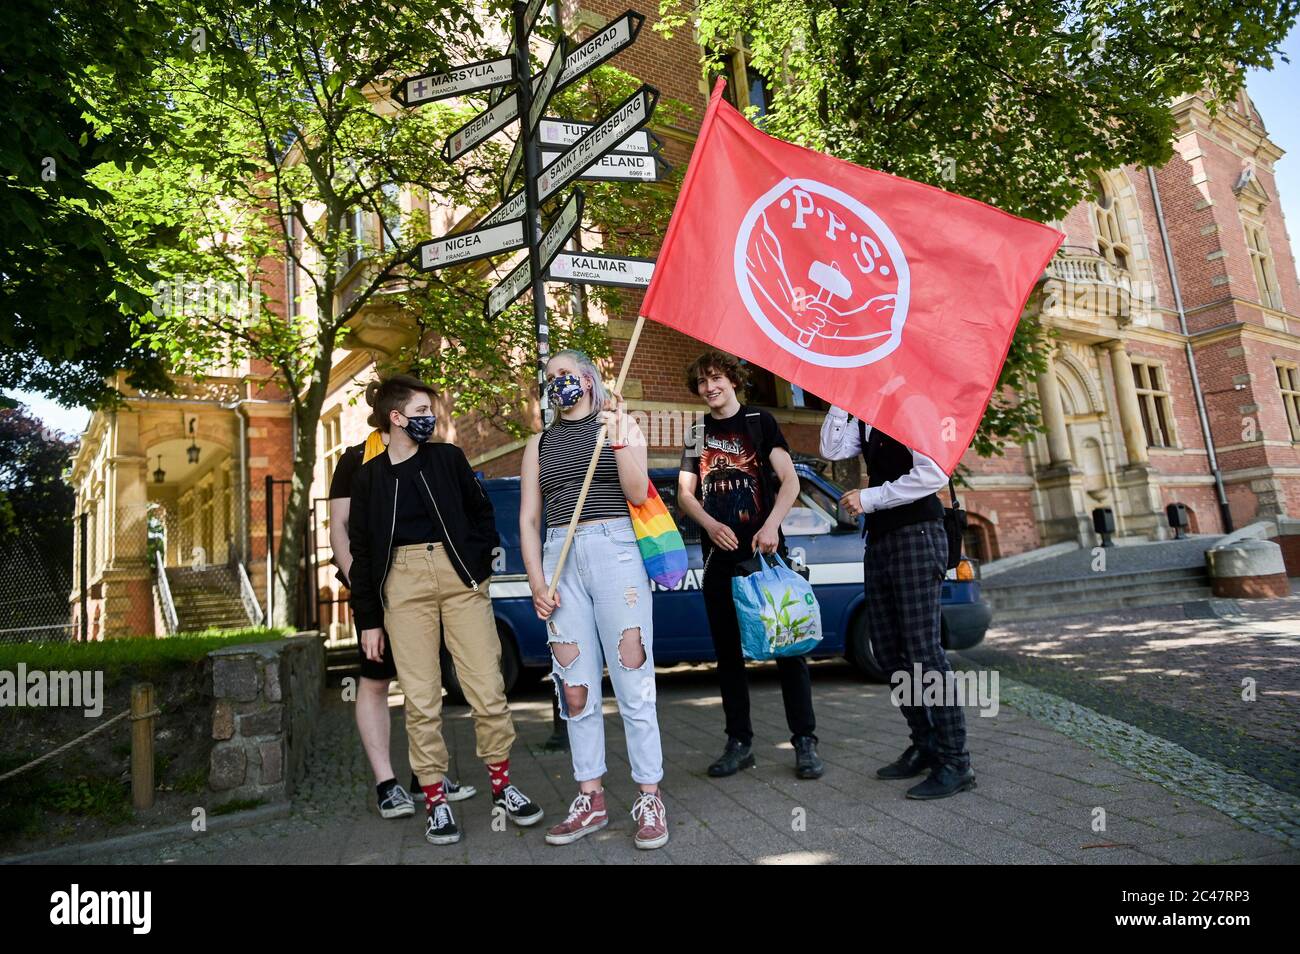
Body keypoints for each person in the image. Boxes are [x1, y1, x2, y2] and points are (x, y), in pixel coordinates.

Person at [348, 374, 544, 845]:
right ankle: (435, 799)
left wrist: (477, 564)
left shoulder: (448, 458)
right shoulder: (369, 478)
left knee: (487, 686)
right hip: (402, 583)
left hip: (460, 578)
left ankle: (503, 786)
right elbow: (363, 552)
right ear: (395, 418)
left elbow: (482, 514)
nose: (428, 419)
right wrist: (369, 620)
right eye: (419, 413)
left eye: (429, 412)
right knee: (420, 698)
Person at [519, 349, 668, 850]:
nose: (556, 382)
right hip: (560, 555)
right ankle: (590, 797)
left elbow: (635, 489)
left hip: (615, 550)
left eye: (566, 374)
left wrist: (621, 431)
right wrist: (537, 581)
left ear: (588, 378)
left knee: (633, 678)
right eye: (549, 377)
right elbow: (528, 519)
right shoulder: (539, 443)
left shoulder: (620, 425)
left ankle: (649, 796)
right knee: (574, 689)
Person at [676, 350, 823, 780]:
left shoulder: (760, 422)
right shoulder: (696, 432)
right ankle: (739, 743)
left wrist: (773, 526)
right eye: (703, 382)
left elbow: (790, 481)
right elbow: (686, 494)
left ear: (733, 380)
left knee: (789, 649)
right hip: (718, 558)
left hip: (766, 557)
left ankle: (805, 742)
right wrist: (709, 523)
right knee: (727, 655)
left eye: (717, 378)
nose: (710, 388)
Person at [819, 405, 975, 799]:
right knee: (888, 651)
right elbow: (832, 448)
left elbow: (934, 473)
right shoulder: (867, 413)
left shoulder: (913, 406)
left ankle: (956, 762)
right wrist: (840, 400)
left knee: (924, 651)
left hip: (918, 535)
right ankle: (925, 743)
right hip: (882, 540)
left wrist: (871, 499)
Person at [328, 428, 475, 818]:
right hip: (377, 587)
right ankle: (386, 784)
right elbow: (339, 529)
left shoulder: (431, 455)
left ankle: (425, 775)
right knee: (376, 680)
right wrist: (365, 589)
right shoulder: (355, 458)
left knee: (422, 680)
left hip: (425, 587)